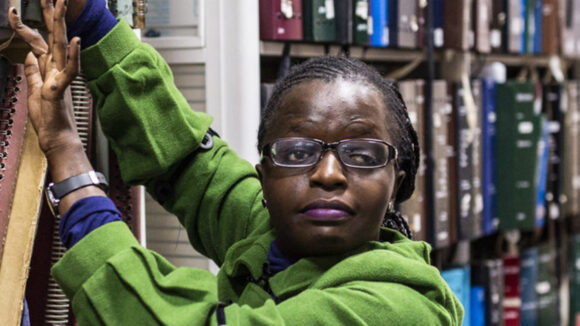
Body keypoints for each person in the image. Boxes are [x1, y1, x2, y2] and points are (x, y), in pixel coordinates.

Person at [9, 0, 463, 324]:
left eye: (362, 156)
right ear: (262, 175)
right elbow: (191, 164)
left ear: (396, 182)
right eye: (298, 153)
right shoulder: (277, 236)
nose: (327, 174)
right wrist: (88, 18)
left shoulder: (397, 308)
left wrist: (67, 152)